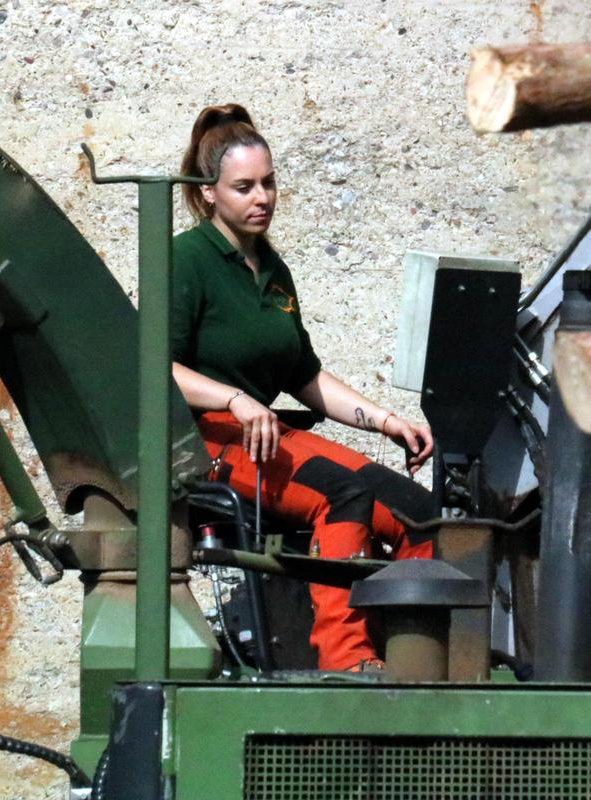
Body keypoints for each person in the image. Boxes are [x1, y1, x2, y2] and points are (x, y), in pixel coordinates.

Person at [171, 103, 436, 671]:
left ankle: (413, 655)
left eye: (268, 183)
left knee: (419, 513)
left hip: (264, 432)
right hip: (204, 438)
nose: (261, 197)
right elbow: (154, 365)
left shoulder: (272, 268)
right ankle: (345, 660)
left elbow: (305, 375)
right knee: (344, 494)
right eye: (244, 187)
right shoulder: (186, 259)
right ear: (209, 192)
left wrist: (388, 422)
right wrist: (234, 399)